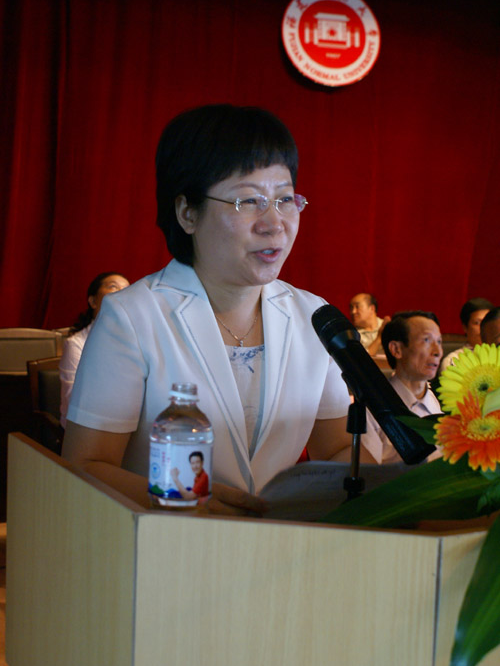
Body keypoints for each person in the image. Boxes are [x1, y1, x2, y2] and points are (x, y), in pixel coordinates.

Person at [62, 104, 351, 515]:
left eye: (285, 199)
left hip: (281, 544)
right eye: (248, 201)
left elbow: (337, 449)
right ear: (187, 213)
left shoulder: (313, 316)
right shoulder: (132, 317)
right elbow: (85, 466)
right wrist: (181, 503)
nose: (274, 223)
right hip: (162, 543)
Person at [360, 311, 443, 464]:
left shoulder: (435, 400)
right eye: (426, 340)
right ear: (396, 350)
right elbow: (369, 473)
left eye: (439, 342)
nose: (437, 352)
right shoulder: (371, 408)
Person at [59, 272, 130, 427]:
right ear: (93, 301)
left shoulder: (134, 341)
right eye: (113, 287)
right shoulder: (76, 344)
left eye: (126, 289)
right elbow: (74, 400)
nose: (122, 293)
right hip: (85, 425)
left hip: (125, 421)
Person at [440, 297, 494, 370]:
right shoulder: (454, 360)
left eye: (486, 322)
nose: (483, 327)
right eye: (477, 323)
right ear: (465, 327)